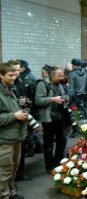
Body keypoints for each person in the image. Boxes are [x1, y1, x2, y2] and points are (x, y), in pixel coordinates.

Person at [0, 62, 27, 199]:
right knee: (4, 170)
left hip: (16, 136)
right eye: (10, 75)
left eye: (15, 75)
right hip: (4, 139)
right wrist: (15, 115)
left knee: (13, 169)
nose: (14, 78)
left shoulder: (10, 89)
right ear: (1, 75)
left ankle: (11, 193)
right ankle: (4, 195)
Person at [35, 66, 69, 174]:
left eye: (62, 75)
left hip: (60, 117)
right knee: (48, 143)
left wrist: (66, 98)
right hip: (48, 118)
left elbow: (63, 96)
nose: (62, 77)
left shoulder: (60, 84)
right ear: (52, 75)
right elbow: (38, 100)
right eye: (59, 76)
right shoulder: (42, 84)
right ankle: (49, 166)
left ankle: (58, 162)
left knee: (62, 141)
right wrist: (52, 99)